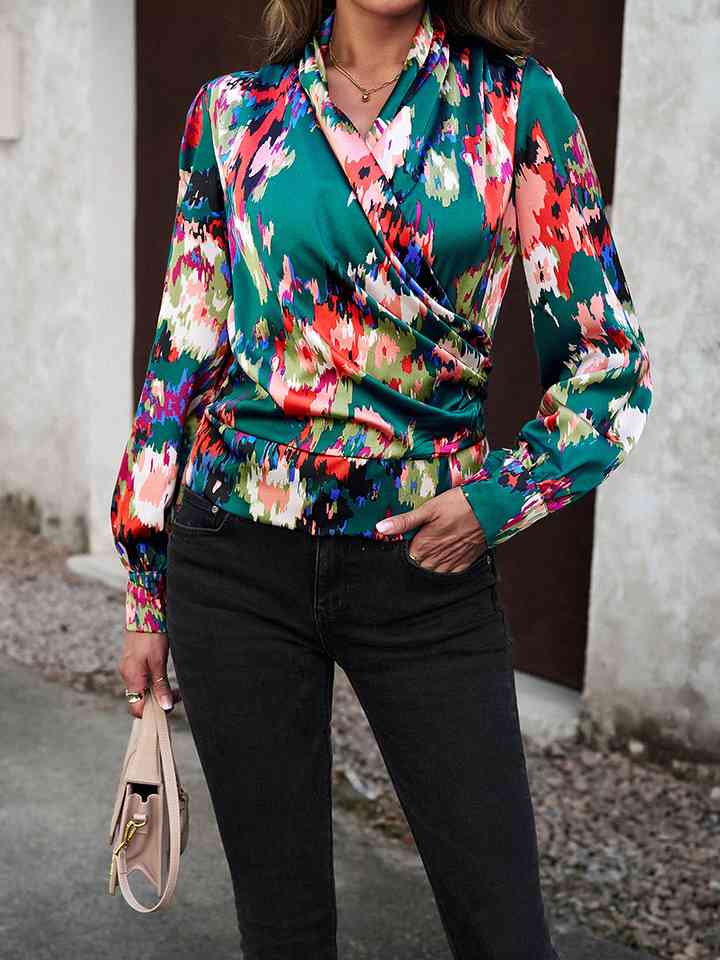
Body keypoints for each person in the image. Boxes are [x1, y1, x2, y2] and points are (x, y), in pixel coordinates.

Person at [111, 0, 653, 956]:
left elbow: (608, 361)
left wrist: (496, 502)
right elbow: (182, 353)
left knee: (503, 928)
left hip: (426, 572)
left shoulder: (516, 104)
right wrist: (147, 590)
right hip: (235, 561)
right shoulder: (233, 112)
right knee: (283, 932)